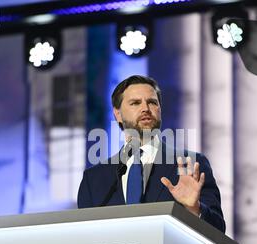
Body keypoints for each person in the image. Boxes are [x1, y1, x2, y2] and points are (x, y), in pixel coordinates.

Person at [77, 75, 225, 232]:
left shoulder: (190, 164)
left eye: (152, 102)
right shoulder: (93, 179)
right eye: (135, 103)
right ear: (118, 114)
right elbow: (84, 238)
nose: (145, 109)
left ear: (160, 110)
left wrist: (194, 208)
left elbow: (218, 229)